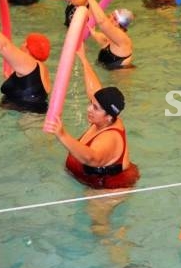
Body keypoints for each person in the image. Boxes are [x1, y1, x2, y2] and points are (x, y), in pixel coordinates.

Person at [44, 45, 139, 190]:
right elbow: (93, 89)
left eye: (95, 108)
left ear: (108, 116)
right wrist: (83, 58)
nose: (89, 108)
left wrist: (62, 135)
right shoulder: (105, 117)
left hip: (109, 187)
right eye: (91, 104)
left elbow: (91, 158)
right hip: (90, 179)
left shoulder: (110, 137)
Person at [0, 0, 51, 113]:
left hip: (28, 118)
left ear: (27, 47)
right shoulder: (40, 68)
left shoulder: (29, 63)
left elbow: (3, 46)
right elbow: (31, 89)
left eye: (24, 42)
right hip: (33, 116)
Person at [79, 0, 135, 70]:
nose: (110, 18)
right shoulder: (108, 38)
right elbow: (93, 30)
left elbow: (102, 21)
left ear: (121, 25)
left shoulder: (123, 39)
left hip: (119, 81)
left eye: (115, 18)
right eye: (111, 15)